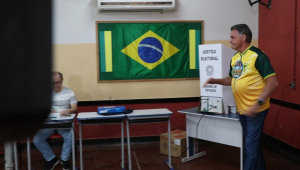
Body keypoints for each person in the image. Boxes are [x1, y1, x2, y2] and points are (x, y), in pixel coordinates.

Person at [202, 24, 278, 170]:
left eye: (232, 37)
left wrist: (258, 103)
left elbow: (273, 82)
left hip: (256, 110)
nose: (229, 40)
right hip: (242, 110)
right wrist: (215, 80)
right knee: (251, 144)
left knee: (250, 145)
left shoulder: (258, 55)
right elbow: (231, 80)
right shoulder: (235, 58)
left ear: (243, 37)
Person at [33, 72, 78, 170]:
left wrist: (67, 111)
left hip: (64, 124)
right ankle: (52, 159)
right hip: (49, 124)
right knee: (37, 140)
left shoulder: (69, 92)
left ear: (62, 80)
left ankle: (64, 160)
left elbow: (74, 107)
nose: (56, 85)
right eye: (53, 83)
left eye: (58, 82)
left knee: (70, 137)